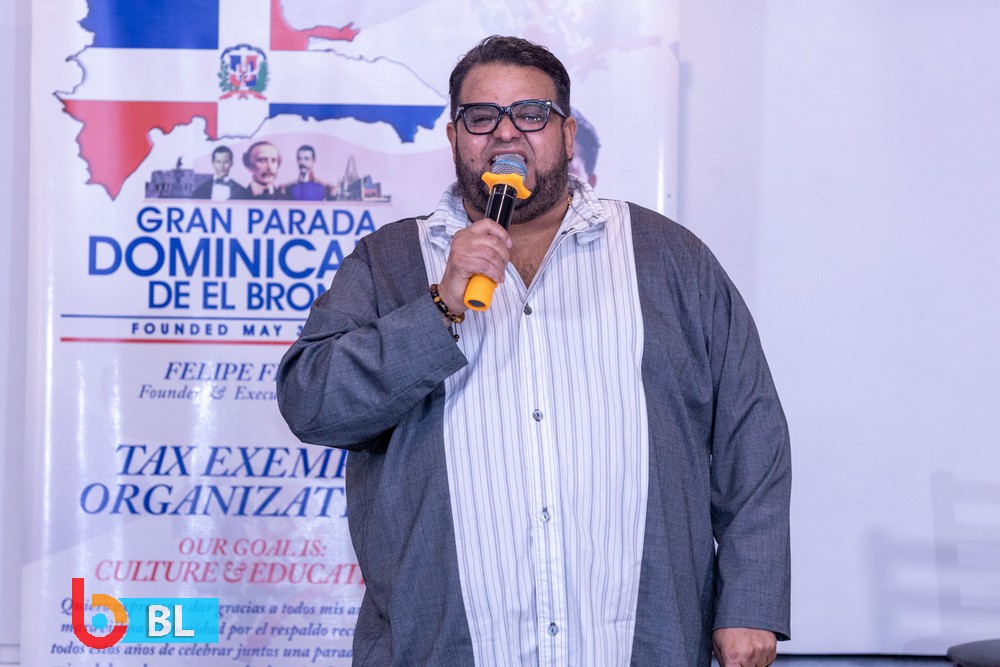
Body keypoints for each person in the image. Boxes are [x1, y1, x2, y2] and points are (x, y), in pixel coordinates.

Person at [277, 35, 790, 667]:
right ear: (454, 138)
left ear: (568, 135)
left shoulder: (671, 258)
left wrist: (749, 602)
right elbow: (312, 404)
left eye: (531, 114)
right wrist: (439, 306)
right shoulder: (387, 262)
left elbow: (749, 431)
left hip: (637, 642)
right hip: (443, 645)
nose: (505, 133)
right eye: (481, 117)